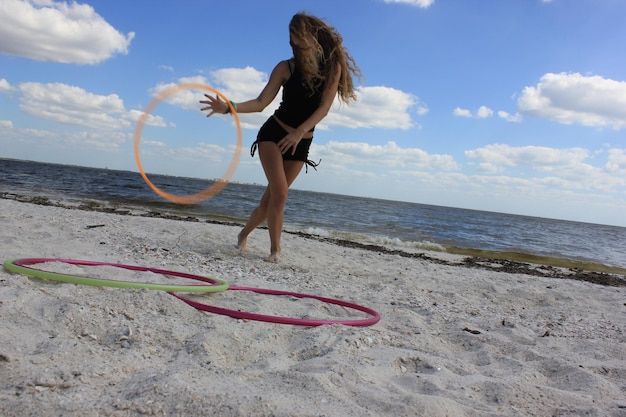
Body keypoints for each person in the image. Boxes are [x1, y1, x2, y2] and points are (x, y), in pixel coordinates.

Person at [200, 12, 360, 262]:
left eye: (301, 35)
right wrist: (228, 108)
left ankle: (243, 234)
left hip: (301, 141)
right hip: (273, 135)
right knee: (281, 194)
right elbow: (261, 102)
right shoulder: (285, 67)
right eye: (293, 37)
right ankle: (276, 250)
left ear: (314, 34)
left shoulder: (332, 68)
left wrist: (298, 133)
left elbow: (324, 108)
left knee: (269, 202)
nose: (297, 42)